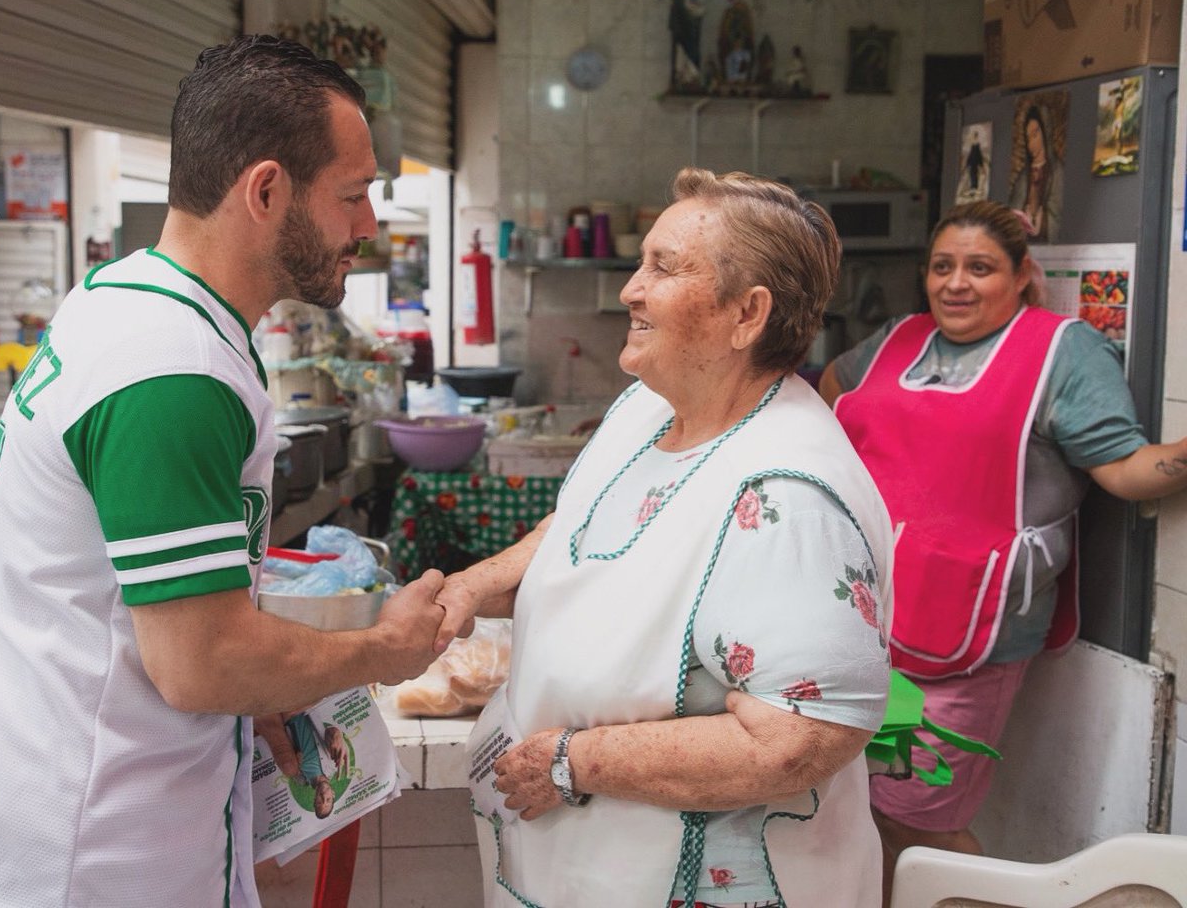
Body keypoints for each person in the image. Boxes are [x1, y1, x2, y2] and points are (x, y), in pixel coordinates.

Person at [0, 35, 458, 907]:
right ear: (267, 190)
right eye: (354, 196)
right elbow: (198, 663)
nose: (367, 226)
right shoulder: (170, 371)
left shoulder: (128, 298)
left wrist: (274, 684)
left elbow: (150, 617)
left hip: (122, 822)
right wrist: (380, 650)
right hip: (98, 861)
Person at [437, 168, 896, 907]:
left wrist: (574, 760)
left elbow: (797, 740)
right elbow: (591, 523)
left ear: (747, 314)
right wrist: (475, 584)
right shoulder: (646, 411)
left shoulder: (787, 494)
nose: (630, 289)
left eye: (665, 267)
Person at [817, 199, 1187, 899]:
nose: (956, 283)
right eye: (942, 267)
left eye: (980, 268)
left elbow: (1127, 471)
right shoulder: (901, 339)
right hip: (869, 623)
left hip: (969, 633)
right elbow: (834, 389)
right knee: (861, 806)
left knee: (919, 819)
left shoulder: (1062, 351)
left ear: (1022, 276)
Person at [1008, 104, 1062, 241]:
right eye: (1028, 138)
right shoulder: (1023, 177)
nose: (1032, 143)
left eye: (1035, 134)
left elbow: (1058, 214)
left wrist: (1040, 220)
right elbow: (1011, 216)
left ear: (1045, 132)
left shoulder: (1057, 171)